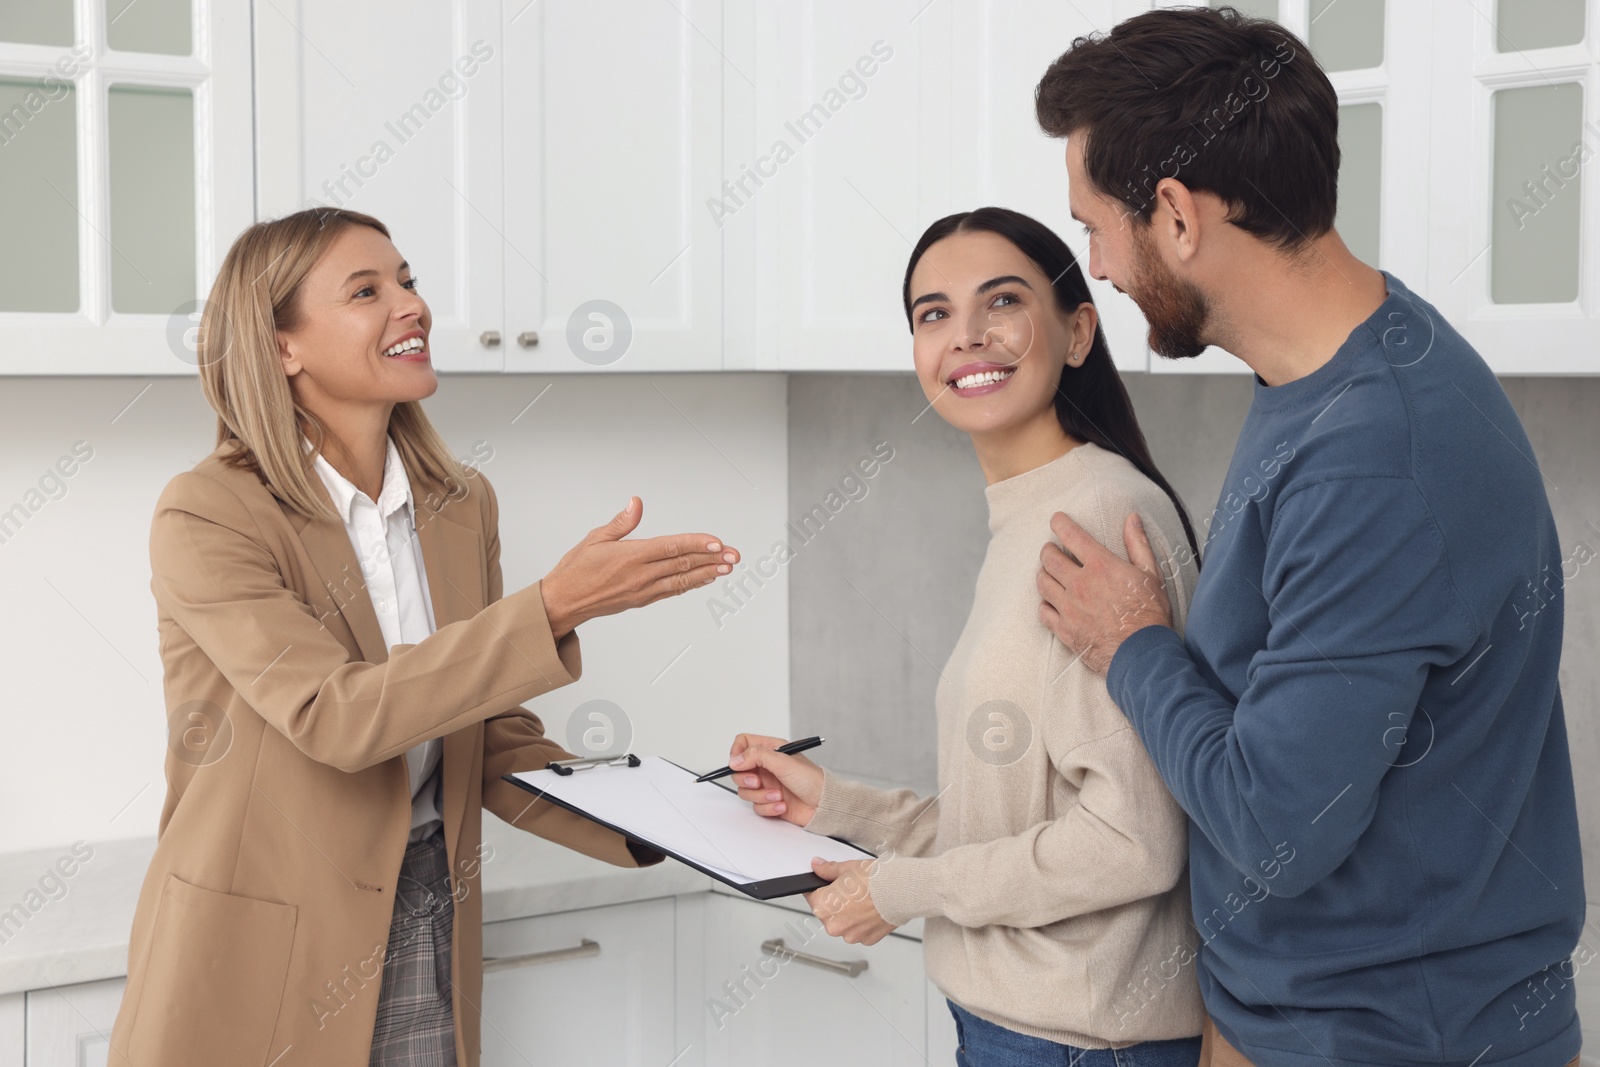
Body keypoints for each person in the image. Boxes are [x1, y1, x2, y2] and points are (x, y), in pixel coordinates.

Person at [1029, 9, 1586, 1067]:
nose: (1095, 263)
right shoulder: (1345, 359)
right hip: (1305, 1017)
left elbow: (1278, 826)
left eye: (1096, 225)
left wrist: (1132, 644)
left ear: (1178, 216)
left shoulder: (1376, 456)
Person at [108, 207, 741, 1067]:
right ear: (282, 345)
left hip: (426, 909)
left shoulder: (459, 502)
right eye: (366, 290)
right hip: (256, 945)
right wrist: (551, 608)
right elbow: (336, 715)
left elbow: (485, 735)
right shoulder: (210, 512)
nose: (410, 305)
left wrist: (686, 818)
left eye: (407, 280)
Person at [728, 206, 1207, 1065]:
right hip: (1026, 1030)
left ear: (1077, 333)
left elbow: (1133, 843)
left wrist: (899, 888)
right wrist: (837, 806)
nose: (967, 336)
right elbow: (1024, 817)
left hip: (1081, 1043)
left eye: (1004, 302)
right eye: (934, 314)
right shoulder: (1033, 515)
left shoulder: (1093, 515)